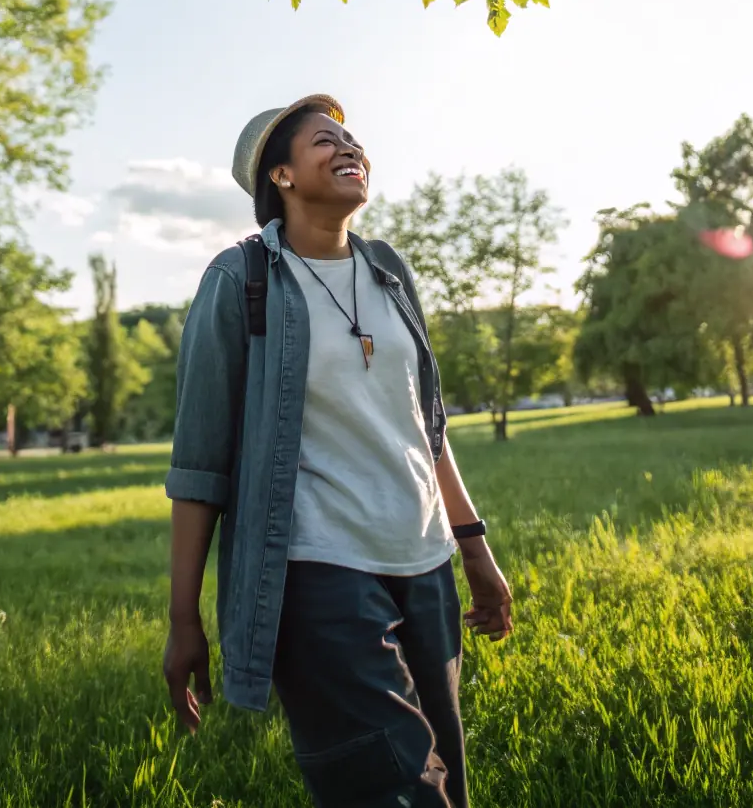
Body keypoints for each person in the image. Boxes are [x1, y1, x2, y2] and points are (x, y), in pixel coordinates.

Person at [163, 94, 514, 808]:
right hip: (314, 573)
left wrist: (475, 548)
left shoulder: (388, 270)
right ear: (282, 175)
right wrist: (183, 618)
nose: (350, 148)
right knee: (393, 789)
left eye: (353, 138)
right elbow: (200, 465)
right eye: (326, 140)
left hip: (423, 563)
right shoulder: (239, 280)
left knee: (446, 773)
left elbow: (425, 425)